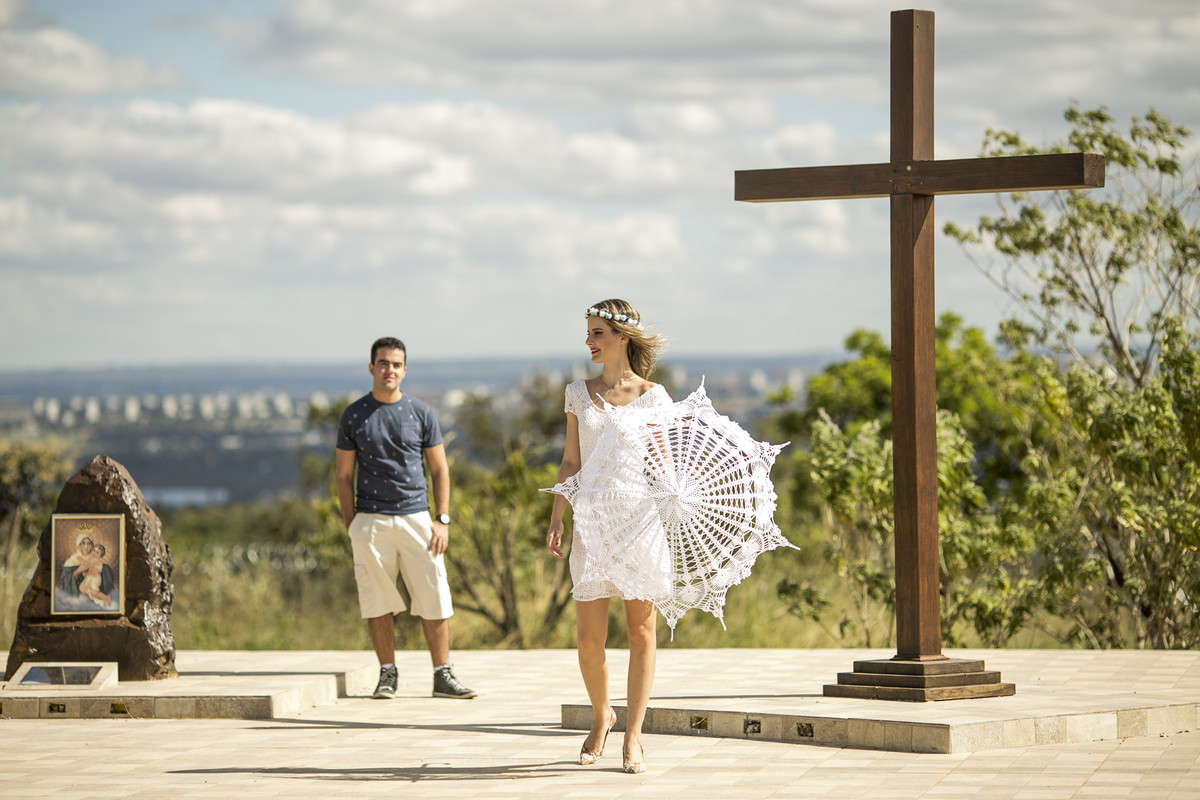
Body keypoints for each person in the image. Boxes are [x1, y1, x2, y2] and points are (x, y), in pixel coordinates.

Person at [546, 298, 670, 774]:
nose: (590, 342)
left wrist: (675, 494)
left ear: (621, 337)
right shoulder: (577, 393)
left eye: (597, 333)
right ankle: (602, 715)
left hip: (640, 523)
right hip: (592, 526)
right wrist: (558, 513)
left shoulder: (655, 397)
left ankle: (634, 736)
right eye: (588, 334)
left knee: (641, 632)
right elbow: (571, 461)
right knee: (587, 641)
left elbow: (663, 463)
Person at [336, 336, 476, 700]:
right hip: (370, 519)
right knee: (377, 599)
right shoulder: (354, 414)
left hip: (417, 517)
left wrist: (442, 519)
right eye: (383, 363)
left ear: (404, 370)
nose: (389, 370)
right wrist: (352, 523)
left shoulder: (421, 412)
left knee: (435, 594)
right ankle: (387, 674)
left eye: (396, 365)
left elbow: (440, 470)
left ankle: (442, 674)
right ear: (371, 368)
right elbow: (343, 476)